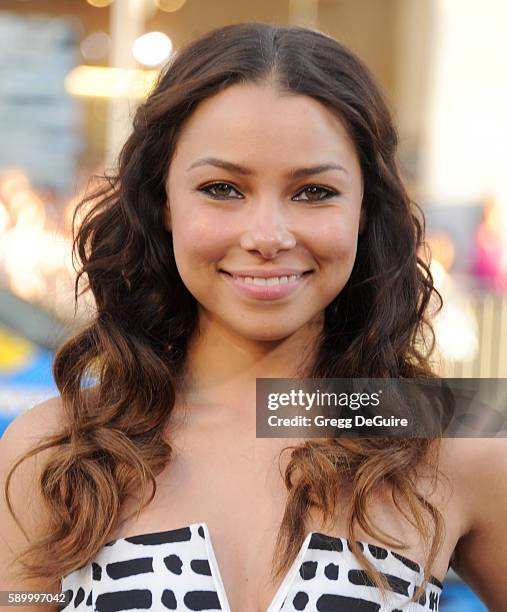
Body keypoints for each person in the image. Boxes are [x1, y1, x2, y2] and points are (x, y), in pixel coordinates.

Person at [1, 22, 506, 612]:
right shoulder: (56, 448)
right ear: (162, 201)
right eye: (222, 188)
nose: (267, 236)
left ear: (367, 208)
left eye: (314, 192)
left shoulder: (451, 435)